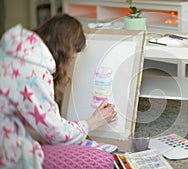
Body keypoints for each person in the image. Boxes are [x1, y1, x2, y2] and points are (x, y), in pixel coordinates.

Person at [0, 14, 117, 168]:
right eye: (71, 58)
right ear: (66, 51)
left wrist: (39, 132)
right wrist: (92, 122)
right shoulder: (34, 70)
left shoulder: (15, 49)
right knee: (103, 160)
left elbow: (15, 111)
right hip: (6, 147)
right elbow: (56, 133)